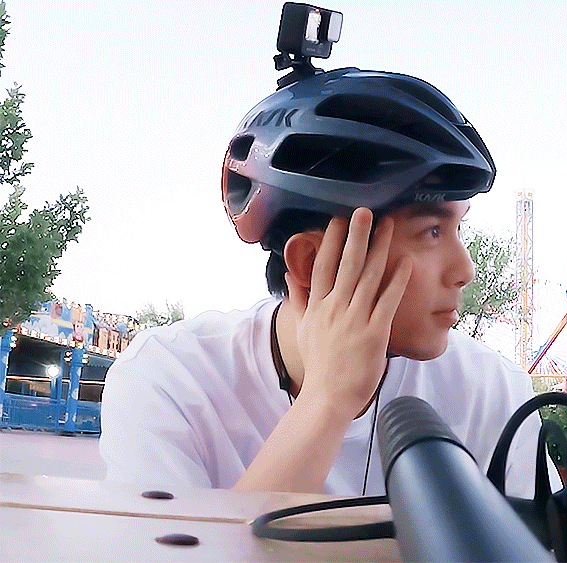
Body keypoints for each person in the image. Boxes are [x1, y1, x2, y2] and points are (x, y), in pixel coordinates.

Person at [99, 67, 543, 497]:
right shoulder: (169, 381)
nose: (464, 270)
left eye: (458, 228)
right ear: (312, 263)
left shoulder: (493, 393)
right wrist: (327, 399)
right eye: (431, 231)